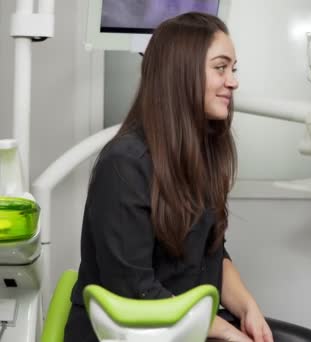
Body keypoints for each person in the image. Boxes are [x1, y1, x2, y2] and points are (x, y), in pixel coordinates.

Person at [64, 12, 273, 342]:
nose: (233, 81)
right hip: (133, 330)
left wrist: (248, 309)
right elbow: (134, 292)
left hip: (185, 324)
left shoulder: (201, 156)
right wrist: (225, 331)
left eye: (233, 69)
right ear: (182, 74)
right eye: (220, 68)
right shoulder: (124, 165)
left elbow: (213, 255)